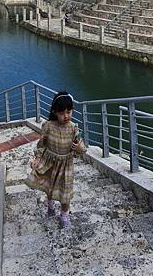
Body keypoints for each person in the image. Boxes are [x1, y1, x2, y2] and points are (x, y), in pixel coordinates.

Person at [26, 91, 86, 229]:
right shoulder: (48, 126)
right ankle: (50, 205)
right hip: (50, 163)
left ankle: (64, 215)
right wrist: (38, 157)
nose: (66, 116)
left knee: (65, 193)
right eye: (62, 113)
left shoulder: (74, 129)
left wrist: (80, 148)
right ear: (54, 112)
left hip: (66, 166)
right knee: (50, 187)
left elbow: (81, 148)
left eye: (69, 112)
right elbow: (42, 144)